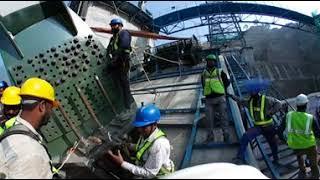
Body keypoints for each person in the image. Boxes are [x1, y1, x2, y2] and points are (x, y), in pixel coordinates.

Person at [0, 77, 59, 178]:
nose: (51, 112)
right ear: (42, 106)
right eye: (50, 107)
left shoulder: (14, 132)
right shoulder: (30, 152)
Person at [107, 103, 175, 178]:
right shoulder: (147, 134)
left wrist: (122, 163)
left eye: (144, 127)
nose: (139, 130)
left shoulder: (159, 145)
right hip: (146, 166)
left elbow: (149, 173)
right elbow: (144, 147)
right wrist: (128, 145)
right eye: (139, 126)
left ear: (154, 124)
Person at [227, 78, 282, 164]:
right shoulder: (250, 102)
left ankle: (276, 160)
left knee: (273, 144)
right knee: (245, 137)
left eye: (252, 92)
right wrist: (232, 96)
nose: (250, 94)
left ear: (256, 92)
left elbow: (279, 103)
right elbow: (241, 101)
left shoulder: (266, 99)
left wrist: (271, 112)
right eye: (250, 92)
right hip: (258, 127)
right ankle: (239, 158)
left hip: (269, 127)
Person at [279, 94, 320, 178]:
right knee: (314, 163)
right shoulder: (310, 118)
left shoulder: (288, 115)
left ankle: (302, 171)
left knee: (299, 157)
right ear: (306, 104)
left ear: (296, 105)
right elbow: (318, 134)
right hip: (309, 145)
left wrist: (285, 141)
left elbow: (279, 131)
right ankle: (315, 175)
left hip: (295, 144)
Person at [201, 54, 230, 142]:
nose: (210, 62)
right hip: (209, 99)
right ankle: (210, 136)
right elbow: (203, 84)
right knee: (209, 119)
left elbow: (227, 82)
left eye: (212, 60)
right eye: (208, 60)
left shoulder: (220, 71)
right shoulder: (203, 74)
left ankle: (225, 134)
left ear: (215, 62)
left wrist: (222, 90)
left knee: (223, 117)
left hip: (220, 98)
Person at [106, 18, 133, 110]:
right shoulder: (112, 38)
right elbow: (108, 49)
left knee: (123, 82)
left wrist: (116, 56)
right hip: (115, 61)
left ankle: (128, 105)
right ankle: (118, 102)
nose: (112, 27)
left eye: (114, 25)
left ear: (119, 25)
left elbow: (124, 45)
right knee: (112, 77)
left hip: (123, 60)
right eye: (111, 26)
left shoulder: (124, 33)